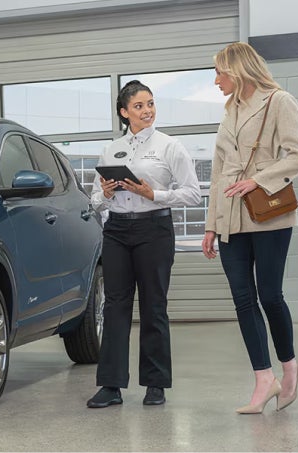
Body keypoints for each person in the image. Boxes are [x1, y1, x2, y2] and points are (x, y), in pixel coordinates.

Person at [201, 42, 298, 414]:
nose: (216, 80)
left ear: (236, 69)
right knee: (243, 300)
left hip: (268, 214)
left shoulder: (279, 101)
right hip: (230, 217)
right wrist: (210, 226)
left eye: (219, 72)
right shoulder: (229, 110)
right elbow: (218, 173)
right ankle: (264, 380)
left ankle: (290, 369)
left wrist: (259, 180)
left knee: (269, 295)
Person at [87, 80, 201, 408]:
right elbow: (96, 198)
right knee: (115, 306)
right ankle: (110, 385)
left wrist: (154, 194)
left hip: (155, 231)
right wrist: (106, 195)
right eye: (138, 106)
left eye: (150, 104)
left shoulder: (170, 147)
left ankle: (155, 384)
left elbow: (193, 193)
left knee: (153, 306)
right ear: (124, 113)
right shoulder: (111, 149)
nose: (147, 110)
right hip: (118, 232)